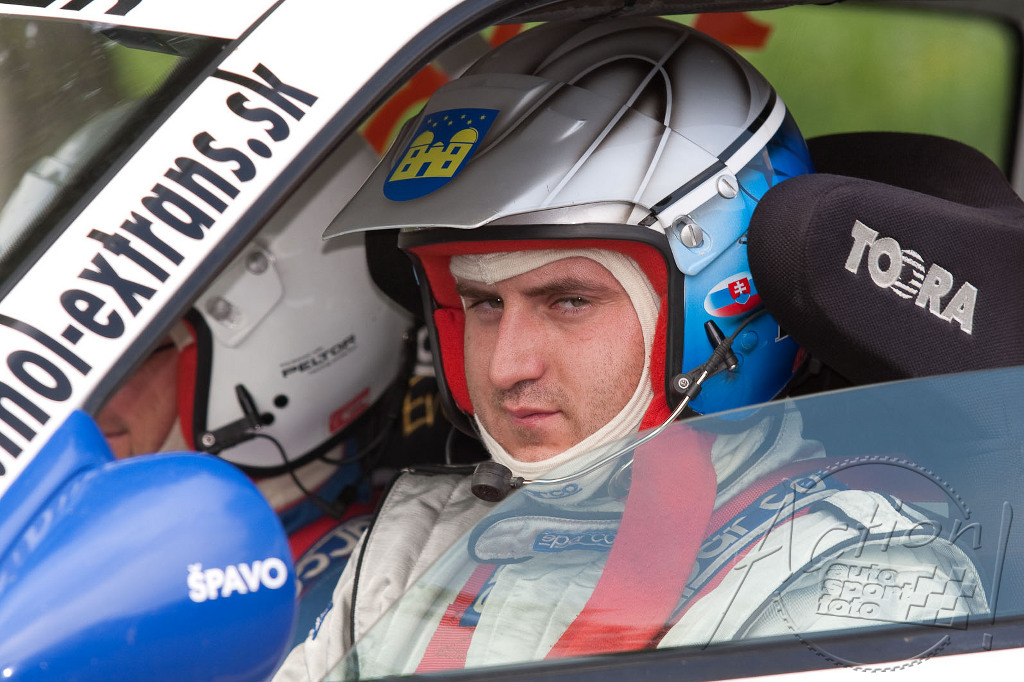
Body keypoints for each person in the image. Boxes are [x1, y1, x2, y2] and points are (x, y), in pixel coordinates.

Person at [274, 17, 987, 680]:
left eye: (568, 301)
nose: (505, 366)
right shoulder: (416, 547)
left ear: (718, 309)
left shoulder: (856, 588)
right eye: (484, 304)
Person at [93, 135, 452, 644]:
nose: (88, 400)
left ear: (275, 358)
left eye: (125, 355)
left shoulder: (342, 606)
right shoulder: (121, 538)